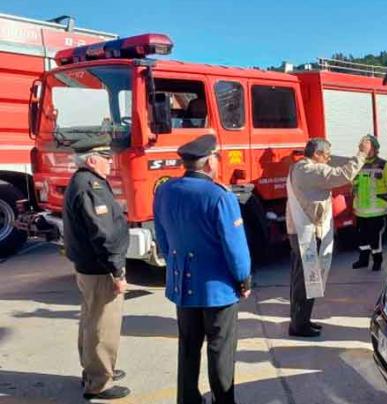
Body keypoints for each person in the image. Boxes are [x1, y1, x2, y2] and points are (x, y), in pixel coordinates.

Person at [153, 134, 251, 404]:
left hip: (182, 285)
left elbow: (161, 236)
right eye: (217, 157)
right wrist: (243, 279)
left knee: (188, 346)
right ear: (209, 163)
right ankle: (223, 400)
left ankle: (187, 399)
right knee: (220, 348)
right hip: (217, 288)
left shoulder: (165, 190)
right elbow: (235, 248)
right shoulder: (220, 196)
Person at [62, 134, 130, 400]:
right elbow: (104, 235)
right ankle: (100, 382)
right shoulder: (91, 186)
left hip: (88, 266)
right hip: (99, 269)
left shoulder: (83, 182)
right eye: (105, 158)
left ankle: (93, 370)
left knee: (91, 320)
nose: (109, 164)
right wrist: (117, 271)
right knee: (103, 324)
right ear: (91, 160)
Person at [286, 137, 372, 337]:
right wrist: (362, 154)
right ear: (316, 154)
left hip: (303, 230)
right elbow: (342, 175)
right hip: (306, 232)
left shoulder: (299, 168)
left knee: (306, 279)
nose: (328, 158)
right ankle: (299, 325)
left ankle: (302, 320)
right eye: (326, 155)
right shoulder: (310, 170)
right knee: (306, 280)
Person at [352, 135, 387, 271]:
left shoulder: (384, 164)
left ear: (375, 149)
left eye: (369, 148)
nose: (366, 151)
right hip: (361, 209)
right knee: (362, 237)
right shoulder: (358, 164)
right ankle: (363, 260)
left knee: (375, 238)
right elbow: (353, 182)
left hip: (377, 210)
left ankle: (377, 261)